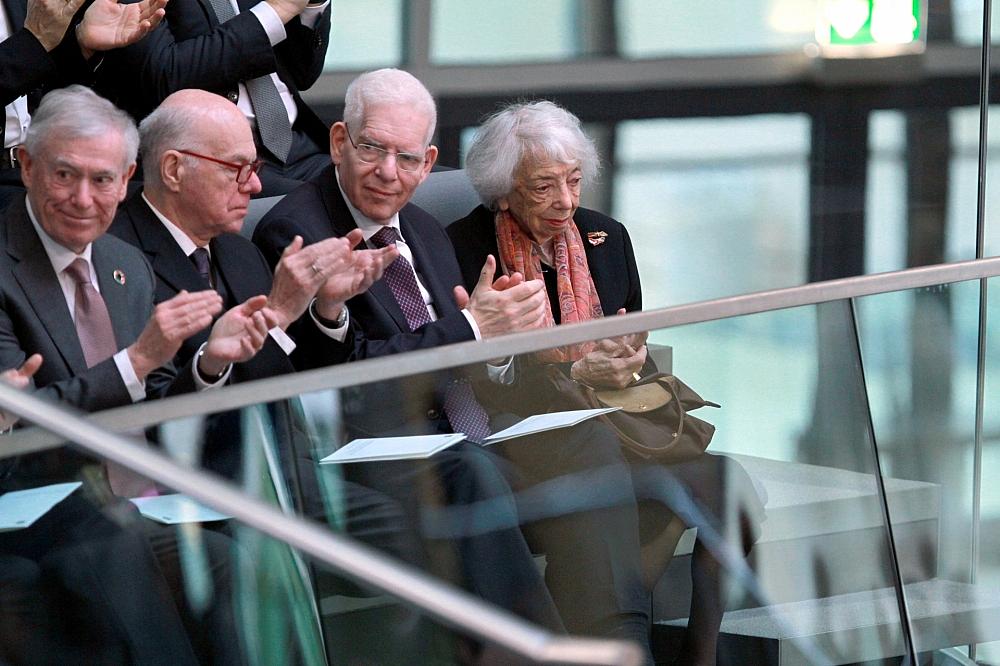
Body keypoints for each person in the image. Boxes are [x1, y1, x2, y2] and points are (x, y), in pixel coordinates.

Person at [253, 68, 656, 661]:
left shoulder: (421, 227)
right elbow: (353, 381)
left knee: (585, 442)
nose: (389, 172)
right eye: (372, 149)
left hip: (470, 431)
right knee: (473, 470)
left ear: (429, 161)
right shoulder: (299, 230)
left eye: (407, 157)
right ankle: (533, 654)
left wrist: (498, 349)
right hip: (380, 447)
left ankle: (621, 645)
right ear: (339, 142)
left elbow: (472, 358)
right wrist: (473, 329)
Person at [448, 100, 765, 666]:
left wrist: (625, 363)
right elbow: (482, 381)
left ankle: (702, 652)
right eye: (543, 187)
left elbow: (633, 342)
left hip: (614, 423)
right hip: (522, 437)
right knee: (624, 491)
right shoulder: (462, 248)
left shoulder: (606, 236)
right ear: (501, 190)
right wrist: (574, 371)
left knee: (730, 486)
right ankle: (613, 639)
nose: (565, 202)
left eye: (573, 182)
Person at [0, 84, 270, 663]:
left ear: (126, 182)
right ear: (26, 166)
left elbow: (154, 396)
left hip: (136, 498)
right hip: (36, 499)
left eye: (102, 180)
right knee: (117, 556)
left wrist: (211, 360)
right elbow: (19, 429)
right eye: (63, 175)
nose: (82, 198)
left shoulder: (124, 263)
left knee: (232, 562)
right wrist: (138, 359)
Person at [97, 0, 333, 195]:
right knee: (330, 203)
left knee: (363, 176)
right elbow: (164, 75)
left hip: (298, 145)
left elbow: (301, 74)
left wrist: (313, 6)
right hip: (213, 159)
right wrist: (279, 9)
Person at [0, 0, 168, 207]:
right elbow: (27, 50)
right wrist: (35, 41)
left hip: (42, 165)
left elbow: (29, 81)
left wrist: (79, 46)